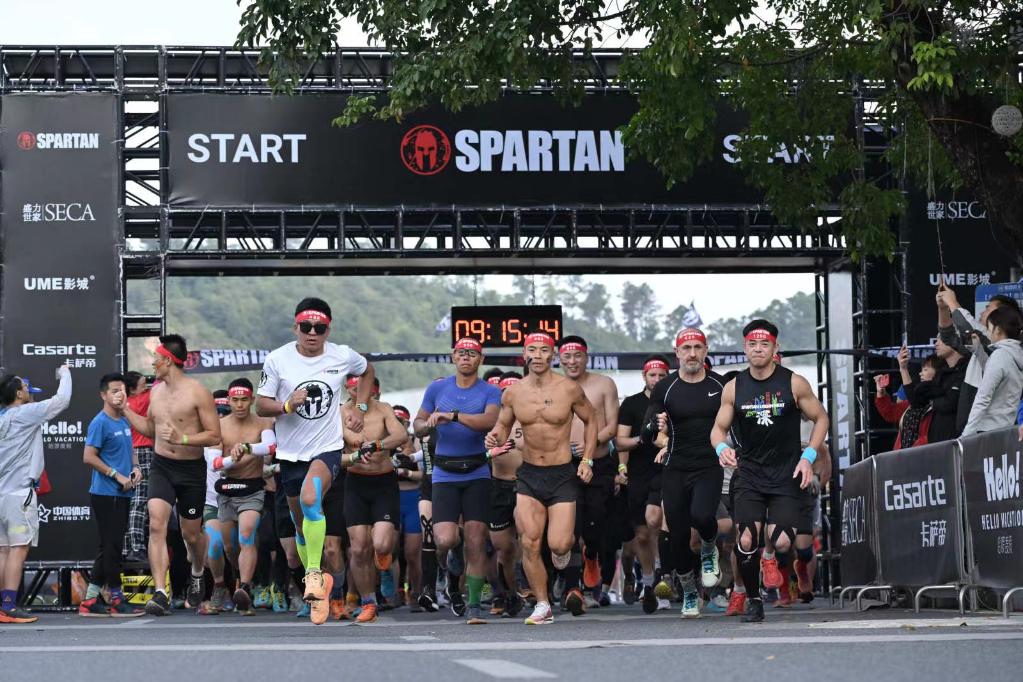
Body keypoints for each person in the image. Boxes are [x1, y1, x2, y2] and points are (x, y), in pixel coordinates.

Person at [255, 297, 374, 625]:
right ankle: (322, 581)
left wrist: (360, 408)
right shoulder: (278, 359)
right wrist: (286, 405)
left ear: (327, 331)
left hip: (327, 449)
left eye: (319, 328)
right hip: (291, 454)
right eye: (306, 327)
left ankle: (314, 576)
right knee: (300, 526)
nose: (312, 333)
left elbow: (367, 370)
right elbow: (260, 405)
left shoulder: (341, 355)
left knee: (311, 499)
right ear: (295, 327)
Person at [710, 319, 829, 623]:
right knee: (746, 539)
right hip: (749, 474)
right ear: (745, 348)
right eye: (752, 344)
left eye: (764, 344)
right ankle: (753, 600)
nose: (758, 349)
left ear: (775, 347)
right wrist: (722, 448)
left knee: (784, 541)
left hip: (786, 474)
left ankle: (770, 556)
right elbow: (718, 429)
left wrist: (808, 457)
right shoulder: (734, 387)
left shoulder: (794, 383)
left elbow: (821, 418)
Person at [485, 332, 597, 625]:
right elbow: (502, 426)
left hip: (561, 474)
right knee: (530, 543)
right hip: (529, 475)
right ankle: (543, 604)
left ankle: (562, 558)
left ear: (552, 355)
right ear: (524, 355)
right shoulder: (513, 393)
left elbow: (591, 420)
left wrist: (587, 459)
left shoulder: (568, 389)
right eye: (532, 350)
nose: (537, 355)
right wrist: (494, 436)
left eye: (543, 350)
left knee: (559, 544)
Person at [123, 334, 222, 616]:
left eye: (156, 358)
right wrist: (125, 410)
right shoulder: (155, 392)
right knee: (156, 524)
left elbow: (214, 436)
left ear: (167, 360)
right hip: (162, 466)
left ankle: (197, 570)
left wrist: (183, 438)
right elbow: (151, 430)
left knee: (192, 535)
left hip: (190, 470)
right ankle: (160, 593)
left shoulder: (198, 392)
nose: (152, 363)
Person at [413, 338, 501, 624]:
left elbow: (489, 421)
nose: (466, 357)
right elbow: (417, 423)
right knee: (445, 538)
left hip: (477, 471)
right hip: (444, 473)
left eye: (472, 354)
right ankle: (454, 552)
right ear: (453, 356)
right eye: (461, 353)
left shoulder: (490, 391)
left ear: (480, 359)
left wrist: (452, 416)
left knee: (477, 540)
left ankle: (474, 605)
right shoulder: (438, 388)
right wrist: (426, 425)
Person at [645, 328, 727, 618]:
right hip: (676, 467)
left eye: (697, 347)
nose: (692, 353)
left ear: (706, 350)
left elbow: (736, 422)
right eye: (686, 348)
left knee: (703, 516)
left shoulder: (720, 385)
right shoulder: (665, 387)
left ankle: (708, 548)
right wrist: (655, 427)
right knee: (677, 536)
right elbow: (647, 431)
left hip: (708, 465)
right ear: (677, 352)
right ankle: (690, 591)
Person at [0, 366, 71, 624]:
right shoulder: (24, 413)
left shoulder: (2, 418)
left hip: (3, 494)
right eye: (27, 389)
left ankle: (4, 605)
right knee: (18, 549)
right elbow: (62, 400)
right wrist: (66, 373)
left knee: (4, 550)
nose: (31, 394)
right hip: (19, 495)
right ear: (18, 394)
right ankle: (8, 606)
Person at [557, 335, 619, 614]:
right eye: (567, 357)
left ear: (586, 357)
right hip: (564, 465)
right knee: (570, 527)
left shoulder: (604, 384)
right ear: (560, 359)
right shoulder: (555, 386)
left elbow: (613, 426)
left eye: (577, 356)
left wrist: (590, 445)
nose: (572, 362)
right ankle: (573, 587)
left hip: (599, 463)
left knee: (594, 525)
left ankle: (591, 555)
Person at [341, 376, 407, 624]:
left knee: (381, 544)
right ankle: (368, 602)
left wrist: (377, 445)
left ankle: (384, 560)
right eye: (353, 387)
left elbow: (400, 435)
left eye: (363, 387)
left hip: (383, 483)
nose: (358, 391)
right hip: (355, 483)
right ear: (346, 388)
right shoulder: (340, 413)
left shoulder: (384, 409)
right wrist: (354, 454)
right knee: (358, 549)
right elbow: (336, 446)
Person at [209, 378, 276, 615]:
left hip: (252, 489)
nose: (239, 405)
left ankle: (245, 587)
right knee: (229, 547)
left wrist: (247, 447)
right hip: (227, 490)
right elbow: (214, 463)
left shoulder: (263, 421)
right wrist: (233, 458)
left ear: (252, 400)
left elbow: (270, 447)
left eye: (244, 400)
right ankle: (239, 579)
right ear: (228, 400)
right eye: (235, 400)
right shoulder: (219, 426)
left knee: (246, 535)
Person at [80, 372, 144, 617]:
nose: (120, 395)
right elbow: (89, 457)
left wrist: (136, 468)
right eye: (115, 391)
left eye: (123, 390)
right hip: (106, 494)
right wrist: (117, 475)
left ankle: (89, 601)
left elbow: (132, 450)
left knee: (108, 547)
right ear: (103, 395)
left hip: (123, 494)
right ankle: (117, 599)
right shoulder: (100, 422)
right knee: (113, 548)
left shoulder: (125, 419)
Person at [615, 355, 670, 609]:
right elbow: (620, 441)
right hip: (638, 475)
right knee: (643, 534)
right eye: (652, 375)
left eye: (662, 375)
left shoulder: (673, 400)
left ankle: (664, 578)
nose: (657, 379)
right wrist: (643, 438)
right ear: (644, 376)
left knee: (661, 527)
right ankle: (648, 583)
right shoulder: (632, 403)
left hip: (667, 472)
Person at [937, 285, 1023, 433]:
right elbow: (948, 336)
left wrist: (951, 302)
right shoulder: (1004, 351)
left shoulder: (999, 349)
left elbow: (968, 328)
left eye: (989, 308)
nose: (983, 312)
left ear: (1001, 322)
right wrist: (943, 308)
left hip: (981, 430)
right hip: (987, 430)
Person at [488, 372, 526, 618]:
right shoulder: (492, 420)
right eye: (505, 391)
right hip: (498, 487)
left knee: (527, 538)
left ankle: (531, 587)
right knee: (503, 548)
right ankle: (508, 592)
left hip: (526, 485)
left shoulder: (531, 418)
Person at [962, 306, 1023, 435]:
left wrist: (966, 435)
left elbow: (982, 398)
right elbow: (1000, 377)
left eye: (989, 328)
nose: (988, 333)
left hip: (987, 432)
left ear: (998, 330)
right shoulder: (1016, 354)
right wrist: (978, 351)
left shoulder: (1000, 356)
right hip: (1006, 430)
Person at [391, 404, 424, 612]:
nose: (396, 425)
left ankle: (416, 593)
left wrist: (406, 473)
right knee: (391, 551)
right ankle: (394, 592)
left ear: (407, 423)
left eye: (400, 422)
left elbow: (424, 474)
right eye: (393, 421)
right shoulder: (385, 442)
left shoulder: (416, 442)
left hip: (413, 498)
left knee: (413, 553)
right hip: (392, 499)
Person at [903, 336, 967, 443]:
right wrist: (903, 368)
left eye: (941, 338)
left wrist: (932, 400)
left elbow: (949, 403)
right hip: (936, 443)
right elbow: (915, 402)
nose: (936, 343)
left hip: (957, 442)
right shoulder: (942, 374)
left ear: (955, 338)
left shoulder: (966, 368)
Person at [874, 350, 938, 450]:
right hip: (903, 455)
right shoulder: (914, 399)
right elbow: (891, 413)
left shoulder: (942, 402)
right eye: (921, 370)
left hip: (925, 454)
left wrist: (913, 449)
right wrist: (881, 392)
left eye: (925, 370)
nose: (920, 374)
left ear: (938, 373)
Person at [123, 371, 154, 562]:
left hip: (128, 453)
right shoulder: (142, 399)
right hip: (143, 451)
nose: (146, 386)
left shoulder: (124, 403)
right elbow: (159, 387)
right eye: (143, 384)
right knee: (140, 499)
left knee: (130, 500)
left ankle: (126, 547)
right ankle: (137, 546)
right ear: (132, 389)